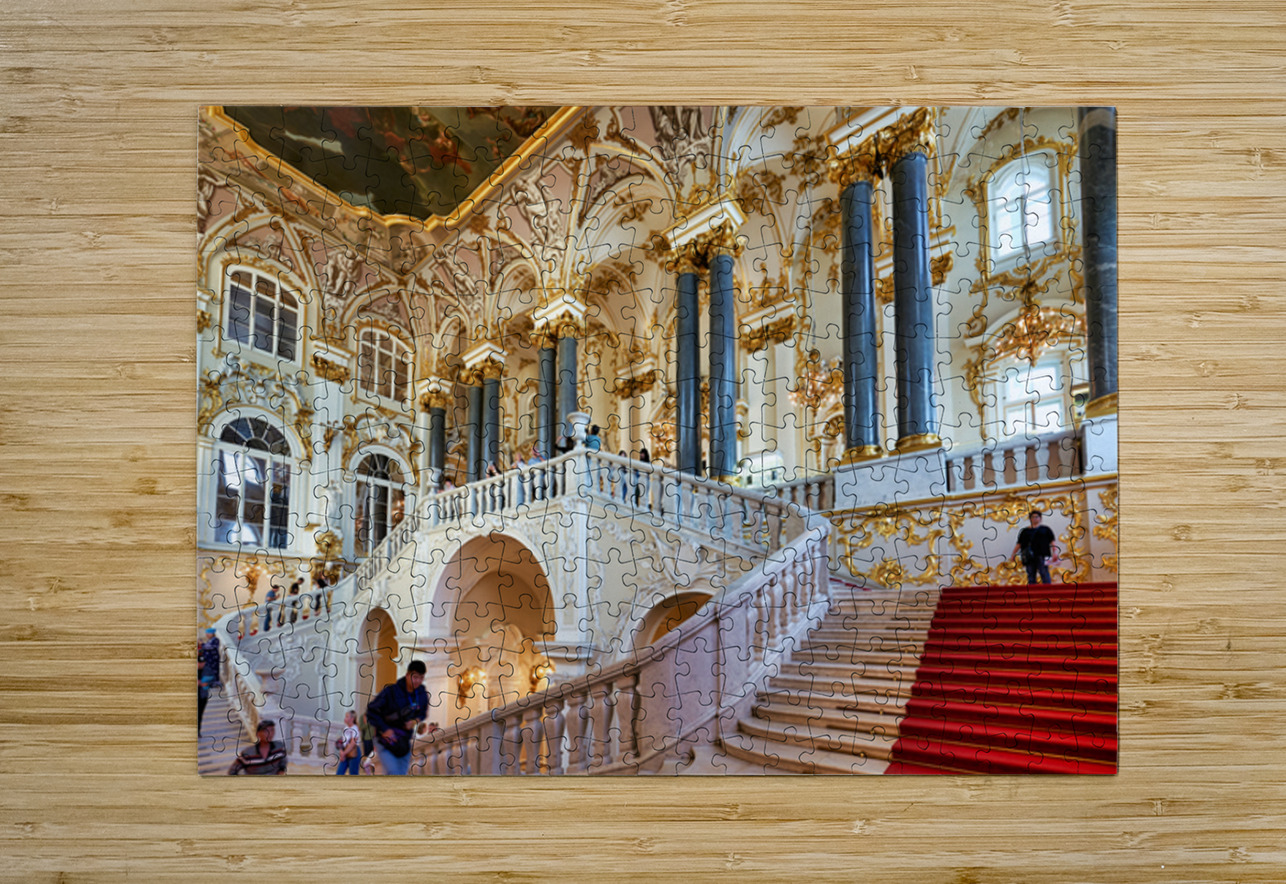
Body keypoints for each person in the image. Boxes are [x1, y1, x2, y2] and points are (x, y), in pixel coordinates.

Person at [365, 660, 429, 775]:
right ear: (408, 675)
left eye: (421, 678)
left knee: (401, 776)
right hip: (385, 741)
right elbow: (371, 710)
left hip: (403, 742)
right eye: (415, 677)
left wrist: (415, 720)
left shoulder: (422, 693)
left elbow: (423, 712)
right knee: (393, 773)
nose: (418, 681)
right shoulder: (391, 692)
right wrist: (385, 729)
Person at [1011, 510, 1060, 585]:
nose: (1035, 518)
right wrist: (1013, 554)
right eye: (1033, 517)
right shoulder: (1025, 531)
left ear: (1040, 518)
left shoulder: (1045, 529)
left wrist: (1055, 552)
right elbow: (1019, 544)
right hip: (1029, 556)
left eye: (1036, 517)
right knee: (1030, 575)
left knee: (1044, 574)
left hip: (1042, 555)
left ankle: (1048, 592)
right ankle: (1032, 594)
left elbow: (1052, 542)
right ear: (1030, 519)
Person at [335, 710, 361, 775]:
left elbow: (353, 743)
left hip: (353, 752)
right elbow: (343, 742)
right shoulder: (345, 728)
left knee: (353, 773)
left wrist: (344, 753)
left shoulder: (355, 728)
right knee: (339, 773)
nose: (345, 718)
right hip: (345, 752)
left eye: (347, 717)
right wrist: (341, 752)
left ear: (352, 719)